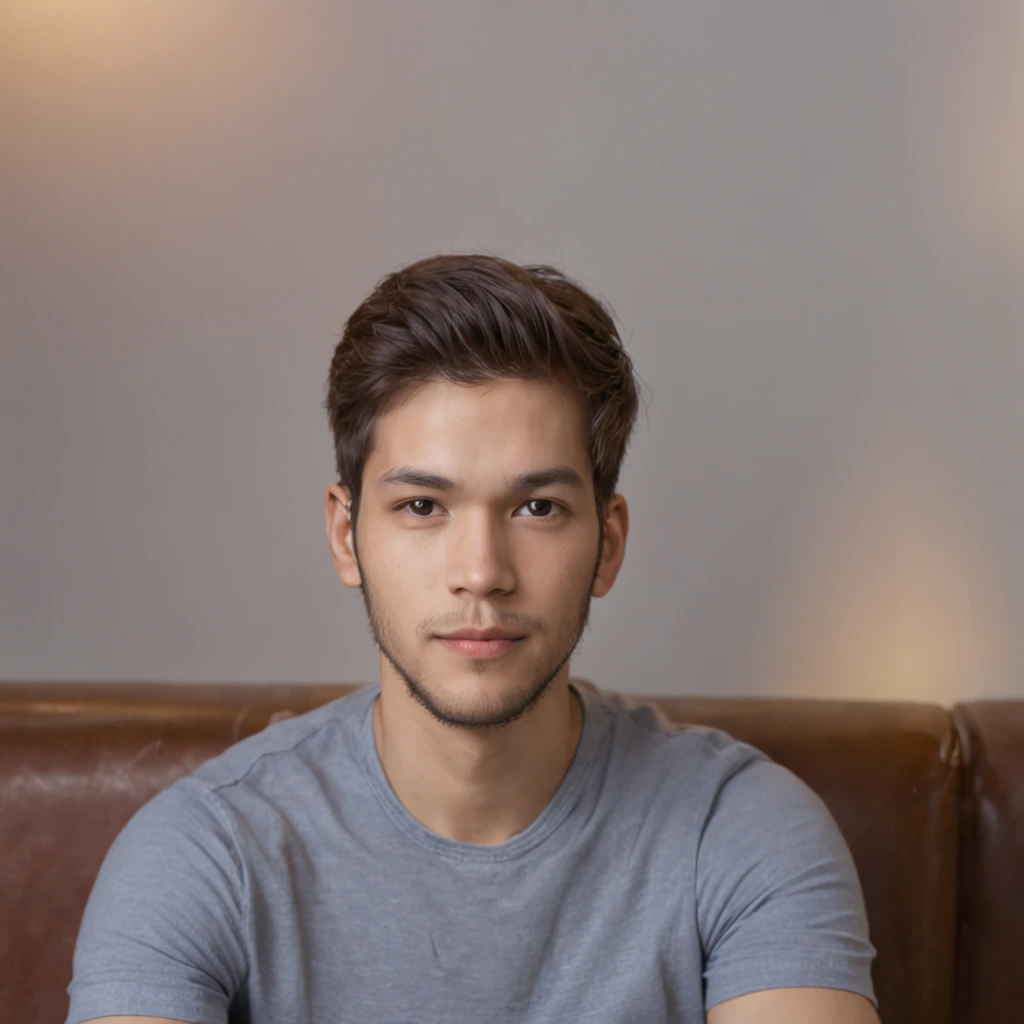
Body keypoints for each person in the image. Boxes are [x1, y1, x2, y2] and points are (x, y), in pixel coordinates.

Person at [65, 254, 880, 1024]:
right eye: (423, 507)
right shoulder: (204, 854)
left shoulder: (737, 829)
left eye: (537, 508)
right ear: (348, 538)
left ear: (610, 543)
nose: (482, 572)